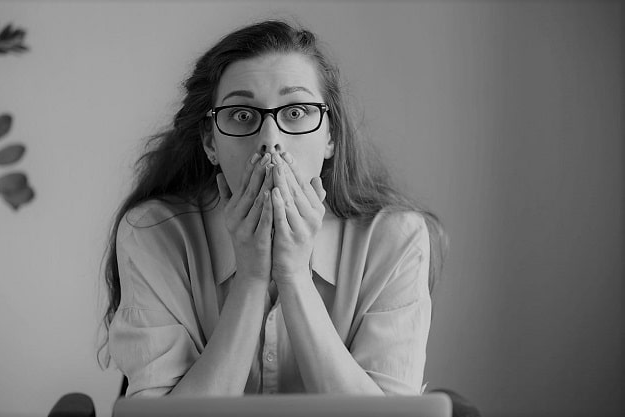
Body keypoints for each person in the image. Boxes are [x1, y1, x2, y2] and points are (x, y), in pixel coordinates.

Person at [98, 19, 447, 397]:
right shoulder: (151, 233)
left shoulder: (396, 239)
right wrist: (250, 278)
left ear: (330, 136)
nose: (270, 142)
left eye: (295, 112)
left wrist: (295, 275)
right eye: (242, 115)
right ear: (210, 143)